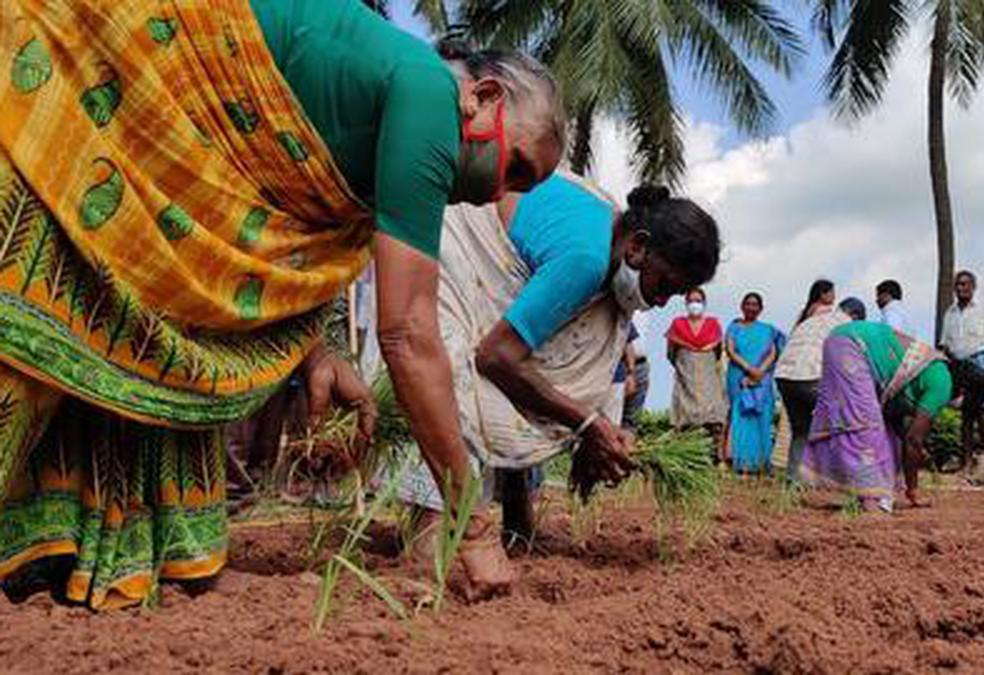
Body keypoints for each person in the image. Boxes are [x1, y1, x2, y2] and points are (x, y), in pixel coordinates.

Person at [0, 0, 566, 609]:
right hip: (88, 74)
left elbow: (271, 231)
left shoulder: (385, 124)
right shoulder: (432, 96)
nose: (496, 196)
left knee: (146, 338)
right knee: (36, 316)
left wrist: (316, 350)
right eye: (515, 167)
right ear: (481, 96)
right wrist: (472, 522)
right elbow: (407, 332)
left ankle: (60, 556)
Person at [398, 175, 721, 591]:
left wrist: (590, 430)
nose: (661, 302)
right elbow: (494, 356)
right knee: (452, 375)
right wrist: (588, 425)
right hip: (453, 255)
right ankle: (430, 519)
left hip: (510, 264)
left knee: (536, 369)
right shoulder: (586, 259)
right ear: (637, 246)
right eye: (665, 286)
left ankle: (517, 522)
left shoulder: (612, 243)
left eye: (676, 297)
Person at [800, 321, 953, 512]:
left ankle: (873, 493)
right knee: (866, 424)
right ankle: (871, 498)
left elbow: (901, 432)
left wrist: (916, 452)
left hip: (841, 341)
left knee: (887, 435)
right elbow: (914, 440)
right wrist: (913, 490)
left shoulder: (930, 371)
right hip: (853, 345)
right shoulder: (944, 382)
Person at [776, 280, 850, 480]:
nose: (834, 297)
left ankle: (793, 481)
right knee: (843, 422)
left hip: (784, 375)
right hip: (809, 375)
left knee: (801, 431)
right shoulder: (840, 319)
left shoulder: (806, 317)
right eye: (832, 293)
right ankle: (842, 479)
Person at [940, 270, 984, 484]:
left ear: (973, 286)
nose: (960, 288)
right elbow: (944, 345)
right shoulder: (949, 313)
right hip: (958, 365)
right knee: (966, 417)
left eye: (965, 285)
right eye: (957, 285)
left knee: (983, 414)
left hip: (980, 363)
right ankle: (966, 464)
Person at [724, 293, 785, 475]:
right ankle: (741, 462)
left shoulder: (768, 329)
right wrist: (749, 368)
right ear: (742, 307)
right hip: (738, 376)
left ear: (761, 308)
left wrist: (760, 371)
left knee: (761, 416)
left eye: (755, 304)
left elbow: (774, 351)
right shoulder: (734, 327)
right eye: (748, 304)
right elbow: (730, 349)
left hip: (762, 378)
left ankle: (760, 462)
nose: (751, 307)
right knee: (739, 415)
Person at [666, 288, 727, 445]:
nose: (695, 304)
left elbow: (718, 351)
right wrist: (686, 359)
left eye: (698, 301)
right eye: (692, 301)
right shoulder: (678, 323)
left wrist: (703, 355)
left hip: (708, 374)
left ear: (704, 303)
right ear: (686, 303)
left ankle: (715, 455)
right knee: (686, 417)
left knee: (712, 416)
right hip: (685, 374)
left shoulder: (713, 323)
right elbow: (670, 352)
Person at [621, 313, 651, 429]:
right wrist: (630, 372)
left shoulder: (644, 312)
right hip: (621, 365)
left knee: (632, 419)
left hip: (641, 364)